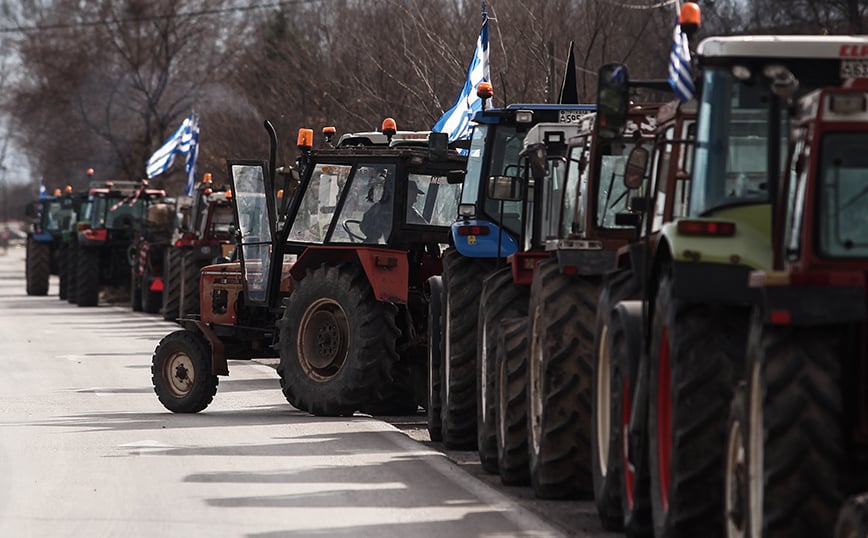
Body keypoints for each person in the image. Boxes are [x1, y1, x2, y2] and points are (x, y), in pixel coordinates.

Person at [359, 169, 393, 242]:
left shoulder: (387, 211)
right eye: (376, 188)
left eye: (380, 187)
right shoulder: (377, 209)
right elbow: (367, 228)